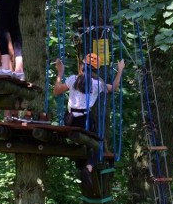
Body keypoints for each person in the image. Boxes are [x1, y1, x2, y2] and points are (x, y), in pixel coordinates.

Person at [54, 53, 126, 182]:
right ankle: (88, 168)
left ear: (82, 66)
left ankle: (81, 162)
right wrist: (120, 70)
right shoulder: (98, 84)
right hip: (84, 121)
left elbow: (56, 91)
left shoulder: (72, 79)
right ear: (96, 69)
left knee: (82, 139)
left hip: (69, 119)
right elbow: (114, 88)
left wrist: (60, 72)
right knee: (99, 146)